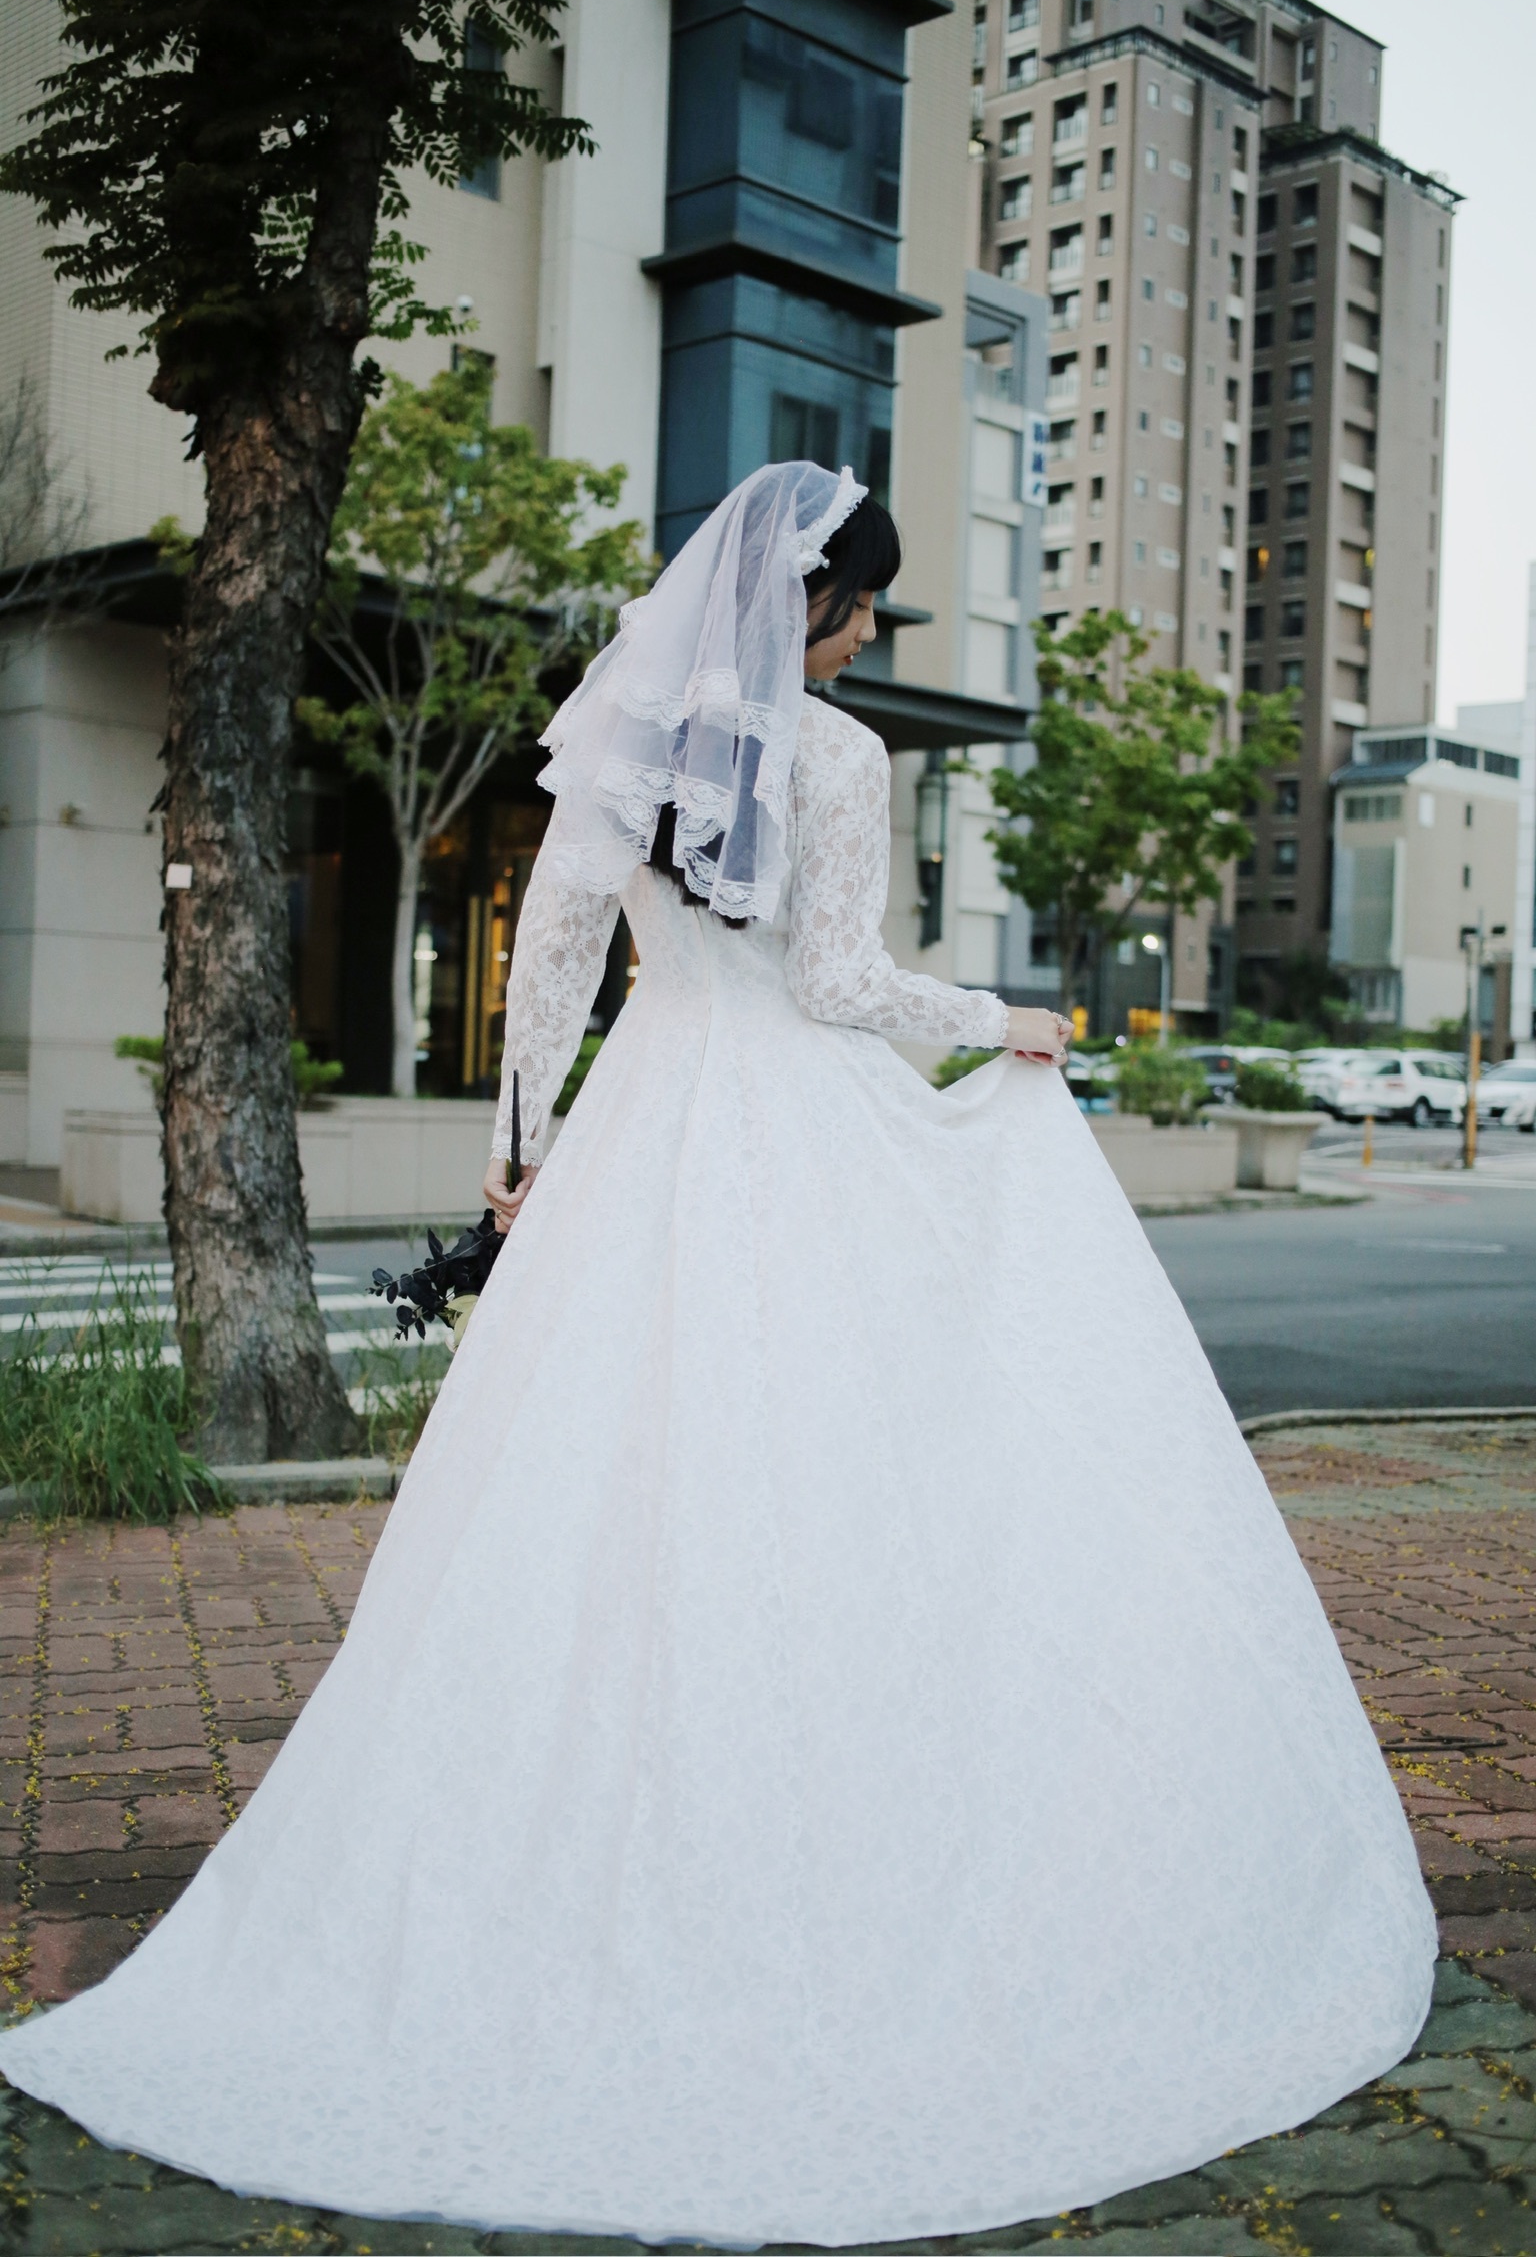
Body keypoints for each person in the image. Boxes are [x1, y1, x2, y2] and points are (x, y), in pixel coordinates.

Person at [0, 461, 1434, 2248]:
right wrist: (1007, 1022)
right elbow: (838, 984)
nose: (861, 641)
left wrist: (515, 1163)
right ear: (819, 605)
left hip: (638, 1137)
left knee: (599, 1491)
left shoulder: (620, 731)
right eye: (860, 612)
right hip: (794, 1129)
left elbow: (548, 972)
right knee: (855, 1476)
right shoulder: (832, 758)